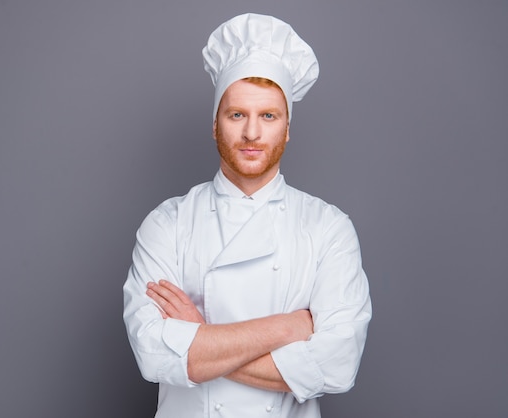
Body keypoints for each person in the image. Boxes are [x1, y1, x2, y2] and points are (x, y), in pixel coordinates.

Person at [123, 13, 371, 418]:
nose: (252, 134)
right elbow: (154, 355)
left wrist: (198, 340)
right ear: (215, 125)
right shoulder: (167, 223)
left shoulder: (328, 228)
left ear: (287, 128)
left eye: (268, 116)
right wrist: (288, 328)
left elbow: (337, 366)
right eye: (237, 115)